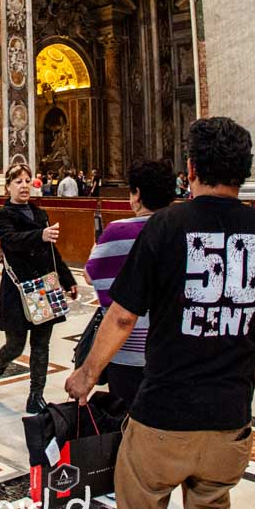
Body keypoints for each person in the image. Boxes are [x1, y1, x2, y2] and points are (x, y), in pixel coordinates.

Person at [68, 116, 255, 509]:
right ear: (245, 170)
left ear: (190, 168)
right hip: (229, 413)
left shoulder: (166, 227)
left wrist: (87, 374)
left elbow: (123, 315)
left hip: (163, 412)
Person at [0, 164, 79, 415]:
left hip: (43, 287)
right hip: (18, 289)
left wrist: (68, 279)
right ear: (8, 187)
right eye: (18, 181)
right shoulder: (2, 216)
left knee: (41, 344)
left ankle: (36, 395)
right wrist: (40, 235)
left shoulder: (40, 214)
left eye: (27, 180)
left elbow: (51, 252)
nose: (24, 185)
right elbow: (10, 242)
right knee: (15, 345)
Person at [81, 159, 176, 408]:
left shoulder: (115, 232)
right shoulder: (183, 229)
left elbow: (91, 276)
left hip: (124, 351)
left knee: (125, 424)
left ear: (136, 195)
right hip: (172, 350)